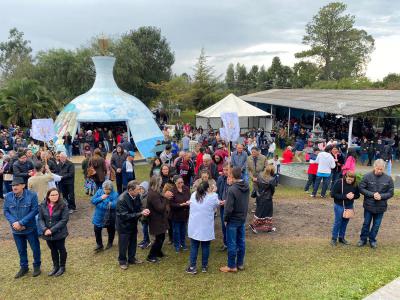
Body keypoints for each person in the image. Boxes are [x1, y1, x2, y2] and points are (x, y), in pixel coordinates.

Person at [3, 177, 41, 278]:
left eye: (17, 185)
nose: (14, 187)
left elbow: (35, 210)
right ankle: (24, 267)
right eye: (13, 185)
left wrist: (21, 223)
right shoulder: (8, 196)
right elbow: (6, 211)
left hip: (30, 228)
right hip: (16, 230)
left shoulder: (32, 195)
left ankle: (37, 266)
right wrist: (14, 223)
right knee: (21, 249)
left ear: (23, 186)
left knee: (35, 248)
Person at [186, 181, 221, 274]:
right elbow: (217, 203)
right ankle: (204, 266)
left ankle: (192, 266)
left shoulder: (193, 195)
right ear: (207, 188)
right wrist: (214, 191)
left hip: (194, 226)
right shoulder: (213, 196)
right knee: (205, 246)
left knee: (194, 246)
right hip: (206, 226)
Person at [357, 159, 394, 248]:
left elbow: (390, 192)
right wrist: (372, 194)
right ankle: (363, 239)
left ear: (384, 169)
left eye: (381, 169)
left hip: (381, 206)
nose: (379, 171)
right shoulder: (367, 176)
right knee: (366, 223)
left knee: (376, 225)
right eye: (378, 169)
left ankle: (372, 240)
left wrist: (381, 196)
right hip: (369, 205)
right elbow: (361, 189)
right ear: (374, 167)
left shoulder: (388, 179)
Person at [220, 167, 249, 273]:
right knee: (241, 241)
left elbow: (228, 208)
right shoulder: (246, 185)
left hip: (233, 220)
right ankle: (240, 263)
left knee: (231, 243)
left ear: (232, 176)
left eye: (230, 175)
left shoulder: (232, 189)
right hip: (242, 218)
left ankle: (232, 266)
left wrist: (225, 219)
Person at [116, 181, 150, 270]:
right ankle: (122, 261)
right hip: (123, 225)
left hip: (132, 224)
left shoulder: (137, 196)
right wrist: (140, 213)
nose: (139, 191)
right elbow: (124, 216)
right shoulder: (121, 199)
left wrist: (144, 210)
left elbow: (139, 206)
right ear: (130, 190)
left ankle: (132, 259)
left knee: (133, 242)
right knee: (123, 244)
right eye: (138, 189)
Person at [38, 188, 69, 277]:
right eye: (52, 195)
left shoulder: (63, 205)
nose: (55, 196)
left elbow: (64, 220)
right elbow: (40, 219)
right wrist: (44, 229)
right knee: (53, 249)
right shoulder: (42, 205)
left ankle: (62, 267)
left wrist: (51, 230)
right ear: (48, 196)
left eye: (56, 194)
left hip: (59, 232)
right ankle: (56, 266)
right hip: (47, 232)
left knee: (61, 248)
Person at [330, 172, 360, 246]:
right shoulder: (339, 182)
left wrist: (353, 196)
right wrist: (345, 196)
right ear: (345, 177)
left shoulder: (355, 184)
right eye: (348, 179)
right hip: (339, 205)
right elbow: (332, 194)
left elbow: (358, 195)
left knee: (345, 222)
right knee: (338, 222)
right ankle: (334, 238)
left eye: (351, 180)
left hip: (349, 206)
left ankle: (341, 238)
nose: (350, 181)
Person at [146, 176, 169, 263]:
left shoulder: (155, 192)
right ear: (157, 183)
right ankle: (151, 256)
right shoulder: (153, 194)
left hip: (159, 219)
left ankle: (158, 252)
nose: (161, 183)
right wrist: (165, 198)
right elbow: (160, 208)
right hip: (156, 220)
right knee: (159, 239)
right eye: (160, 182)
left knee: (161, 237)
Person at [91, 180, 119, 252]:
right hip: (99, 215)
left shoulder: (115, 194)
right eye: (105, 189)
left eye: (109, 189)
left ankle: (110, 243)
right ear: (103, 188)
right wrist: (101, 198)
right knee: (97, 229)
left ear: (111, 188)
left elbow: (113, 205)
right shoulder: (99, 191)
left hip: (110, 216)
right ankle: (99, 245)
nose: (107, 191)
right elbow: (92, 200)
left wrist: (104, 199)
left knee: (111, 230)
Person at [249, 165, 277, 234]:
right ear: (272, 171)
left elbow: (256, 184)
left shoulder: (260, 175)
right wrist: (271, 195)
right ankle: (253, 225)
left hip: (259, 196)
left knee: (260, 211)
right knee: (267, 212)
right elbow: (273, 190)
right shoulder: (272, 179)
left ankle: (268, 228)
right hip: (267, 198)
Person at [170, 176, 190, 253]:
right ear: (175, 183)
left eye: (182, 182)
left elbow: (190, 198)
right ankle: (177, 245)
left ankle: (183, 244)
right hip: (176, 214)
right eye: (179, 183)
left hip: (185, 214)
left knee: (183, 230)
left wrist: (188, 202)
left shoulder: (186, 189)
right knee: (176, 231)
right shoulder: (172, 191)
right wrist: (180, 205)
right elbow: (171, 204)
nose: (181, 184)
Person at [216, 163, 229, 251]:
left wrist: (227, 202)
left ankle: (231, 243)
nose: (225, 172)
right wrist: (219, 200)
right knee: (223, 225)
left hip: (230, 206)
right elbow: (218, 191)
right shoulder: (220, 179)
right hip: (222, 205)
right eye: (224, 170)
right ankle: (225, 243)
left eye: (227, 170)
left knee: (230, 225)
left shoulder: (232, 180)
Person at [138, 181, 151, 249]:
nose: (141, 190)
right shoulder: (141, 196)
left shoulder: (147, 197)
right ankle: (145, 239)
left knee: (145, 229)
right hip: (142, 217)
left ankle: (147, 241)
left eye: (142, 189)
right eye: (140, 189)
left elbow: (145, 208)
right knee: (143, 229)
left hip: (145, 218)